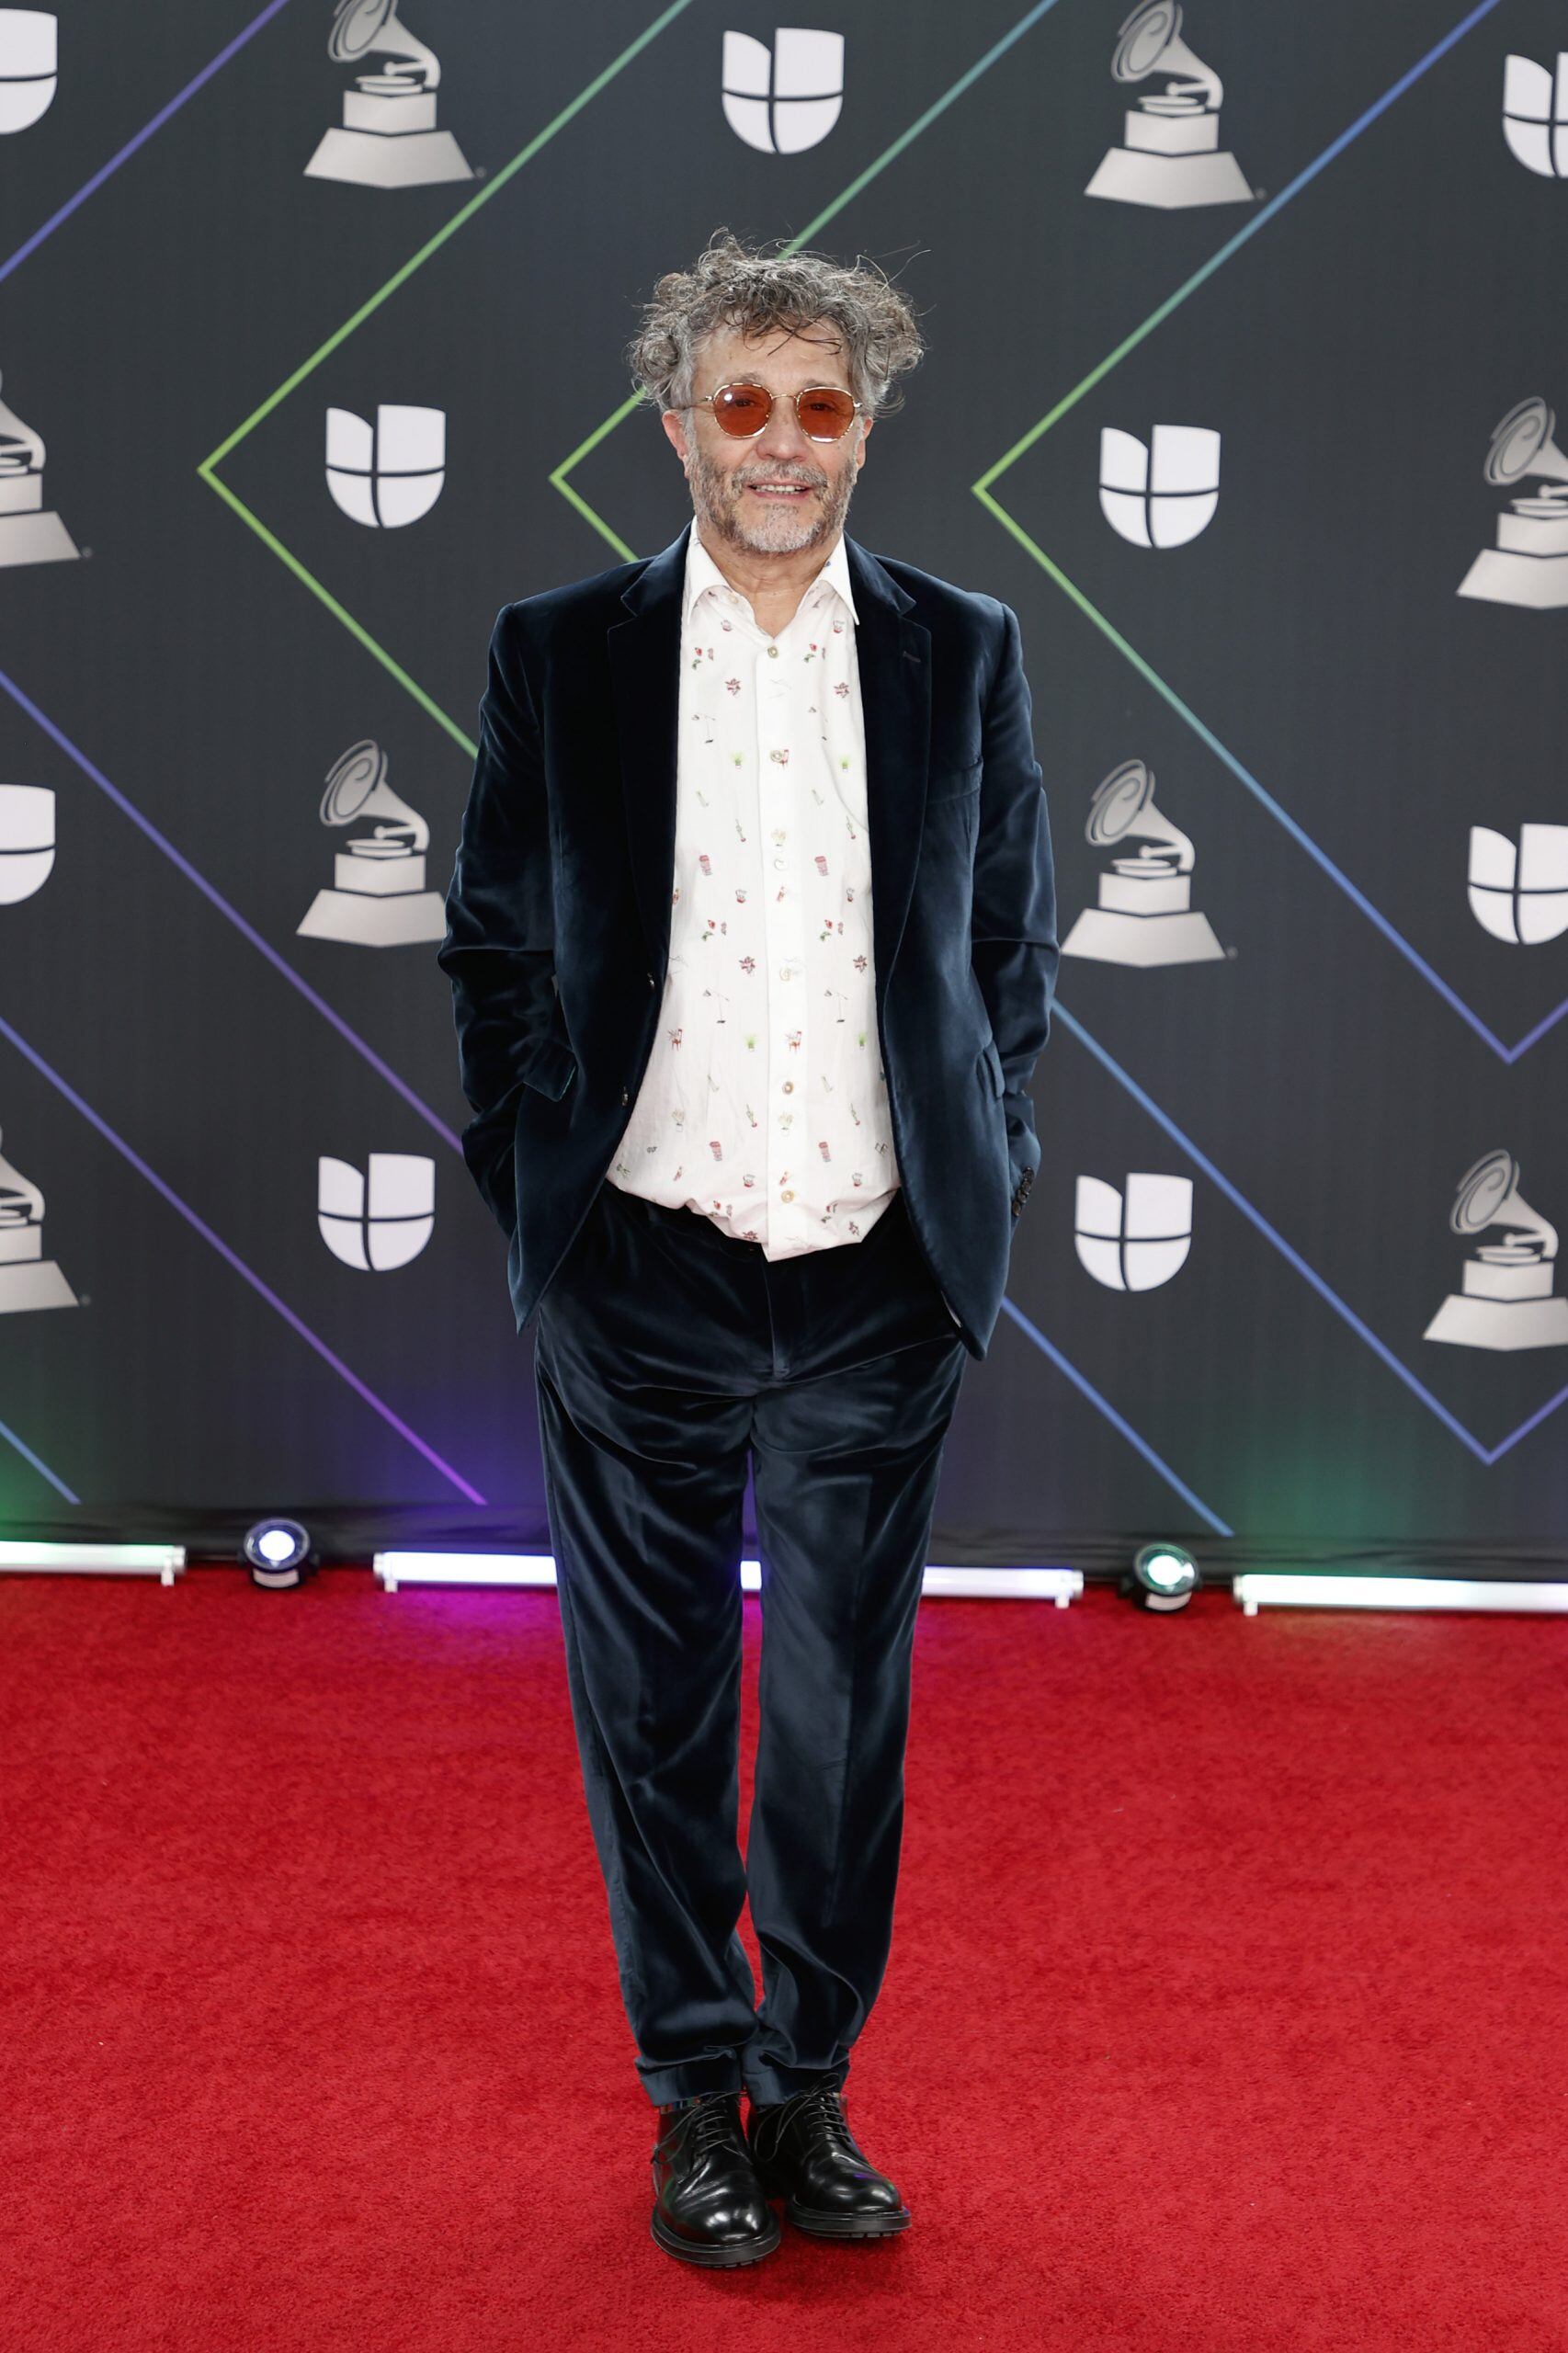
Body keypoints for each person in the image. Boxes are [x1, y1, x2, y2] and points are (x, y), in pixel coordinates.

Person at [437, 226, 1059, 2268]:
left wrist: (986, 1169)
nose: (780, 440)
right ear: (675, 422)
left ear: (863, 427)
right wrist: (540, 1191)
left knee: (843, 1718)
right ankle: (693, 2094)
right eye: (741, 401)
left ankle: (811, 2088)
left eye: (819, 403)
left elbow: (1003, 946)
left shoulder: (965, 645)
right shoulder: (562, 650)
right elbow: (497, 945)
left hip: (878, 1271)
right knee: (651, 1707)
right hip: (640, 1262)